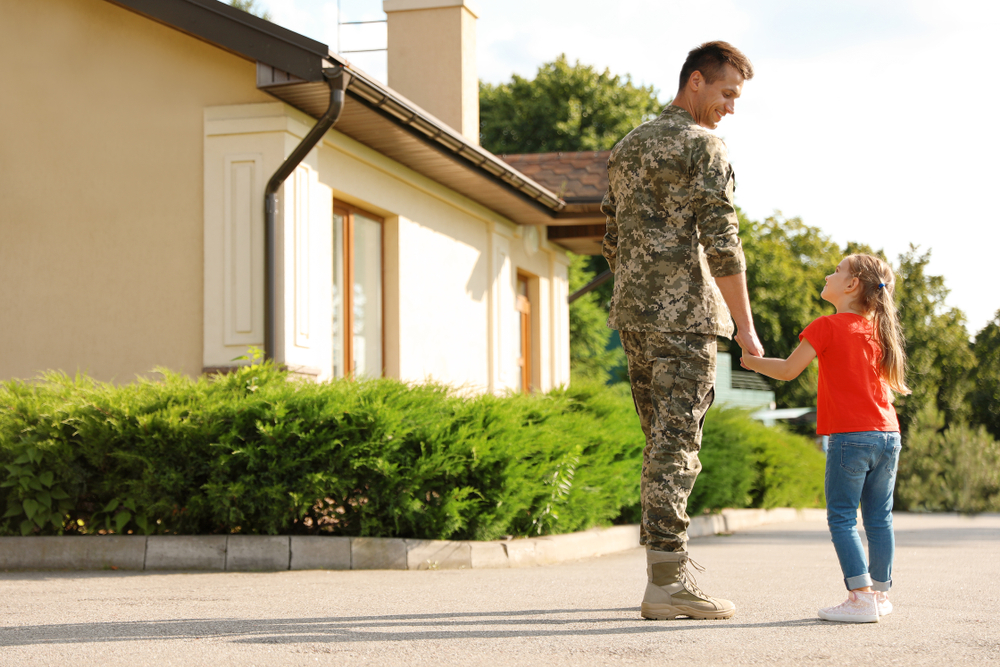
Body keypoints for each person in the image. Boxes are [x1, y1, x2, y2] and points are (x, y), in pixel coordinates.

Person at [602, 41, 764, 621]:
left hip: (635, 317)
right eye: (726, 93)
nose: (730, 107)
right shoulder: (704, 148)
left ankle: (662, 575)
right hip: (686, 317)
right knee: (677, 449)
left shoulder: (628, 146)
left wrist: (637, 292)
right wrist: (746, 328)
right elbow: (724, 241)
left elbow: (613, 239)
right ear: (695, 82)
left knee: (658, 445)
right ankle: (667, 585)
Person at [741, 254, 910, 623]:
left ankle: (860, 597)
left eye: (837, 271)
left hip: (851, 437)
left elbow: (787, 370)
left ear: (851, 286)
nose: (828, 274)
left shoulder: (827, 326)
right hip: (888, 434)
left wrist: (752, 362)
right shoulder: (877, 331)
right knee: (880, 518)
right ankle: (879, 595)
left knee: (842, 517)